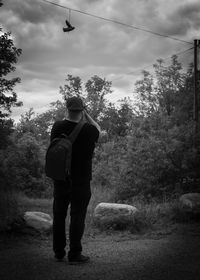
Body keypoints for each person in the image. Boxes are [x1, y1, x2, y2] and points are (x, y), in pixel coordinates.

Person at [50, 96, 100, 264]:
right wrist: (86, 115)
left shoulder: (57, 127)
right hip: (81, 180)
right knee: (77, 216)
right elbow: (98, 128)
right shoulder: (90, 130)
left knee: (58, 215)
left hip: (61, 179)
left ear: (67, 109)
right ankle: (75, 254)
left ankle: (58, 252)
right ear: (82, 110)